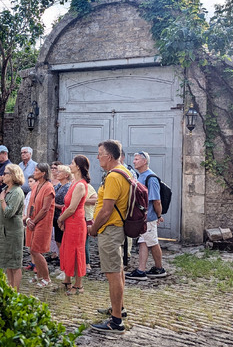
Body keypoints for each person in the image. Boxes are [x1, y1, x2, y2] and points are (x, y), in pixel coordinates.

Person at [89, 139, 131, 334]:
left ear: (110, 156)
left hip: (110, 228)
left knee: (112, 273)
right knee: (118, 271)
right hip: (118, 227)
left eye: (100, 153)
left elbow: (106, 210)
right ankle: (118, 309)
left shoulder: (114, 176)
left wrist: (94, 228)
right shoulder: (126, 172)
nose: (98, 157)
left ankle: (116, 321)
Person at [126, 151, 167, 280]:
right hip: (143, 218)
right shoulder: (141, 176)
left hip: (149, 217)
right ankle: (141, 270)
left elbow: (156, 200)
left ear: (144, 161)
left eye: (137, 159)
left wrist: (158, 215)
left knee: (152, 242)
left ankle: (159, 268)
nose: (134, 161)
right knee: (144, 242)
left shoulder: (151, 178)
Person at [57, 155, 90, 295]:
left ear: (78, 167)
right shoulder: (74, 183)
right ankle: (67, 280)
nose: (70, 165)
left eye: (72, 163)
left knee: (76, 252)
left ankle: (78, 285)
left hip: (76, 222)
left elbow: (72, 208)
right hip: (70, 221)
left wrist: (60, 219)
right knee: (67, 250)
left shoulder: (81, 184)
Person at [0, 164, 26, 290]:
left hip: (12, 233)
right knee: (7, 264)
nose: (2, 175)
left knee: (14, 264)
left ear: (12, 176)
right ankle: (10, 289)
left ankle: (15, 292)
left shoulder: (17, 192)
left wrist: (1, 200)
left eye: (5, 173)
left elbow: (9, 212)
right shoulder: (6, 189)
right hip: (3, 232)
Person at [24, 163, 55, 288]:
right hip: (33, 220)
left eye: (36, 170)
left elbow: (45, 209)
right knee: (32, 248)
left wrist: (34, 221)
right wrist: (28, 219)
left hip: (42, 222)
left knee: (36, 250)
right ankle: (40, 275)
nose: (34, 172)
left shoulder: (49, 188)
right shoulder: (36, 185)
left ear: (43, 173)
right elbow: (31, 204)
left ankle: (46, 278)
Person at [53, 165, 72, 257]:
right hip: (56, 217)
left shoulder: (68, 187)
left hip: (63, 217)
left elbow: (67, 205)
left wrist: (53, 205)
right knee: (58, 241)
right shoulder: (58, 186)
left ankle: (64, 263)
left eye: (60, 172)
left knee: (62, 241)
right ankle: (62, 262)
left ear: (66, 175)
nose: (57, 173)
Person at [84, 182, 97, 273]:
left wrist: (81, 200)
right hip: (74, 218)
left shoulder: (87, 186)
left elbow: (95, 200)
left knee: (84, 242)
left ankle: (87, 264)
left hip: (86, 217)